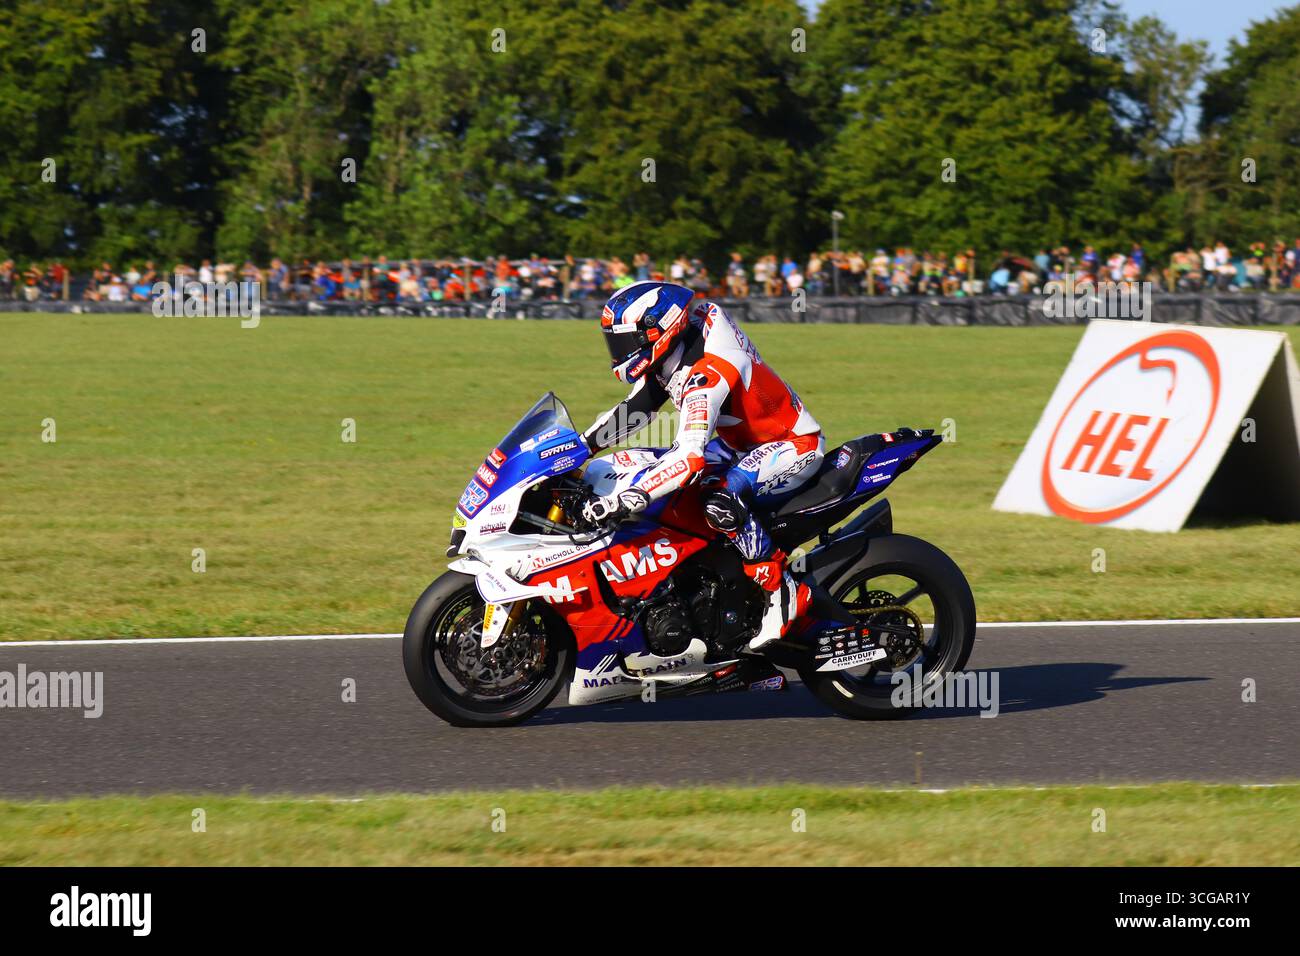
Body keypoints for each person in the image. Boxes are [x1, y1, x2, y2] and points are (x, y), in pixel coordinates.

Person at [579, 281, 823, 649]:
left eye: (626, 341)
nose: (620, 352)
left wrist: (628, 499)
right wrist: (579, 450)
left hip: (790, 444)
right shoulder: (683, 339)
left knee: (718, 499)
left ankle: (781, 589)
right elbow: (637, 409)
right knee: (631, 462)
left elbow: (690, 457)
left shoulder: (707, 373)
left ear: (661, 329)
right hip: (739, 444)